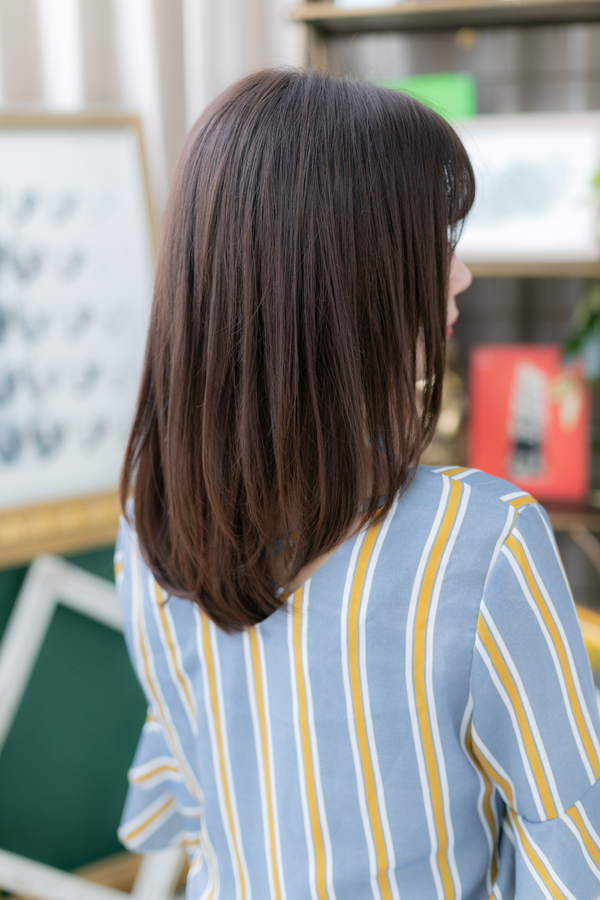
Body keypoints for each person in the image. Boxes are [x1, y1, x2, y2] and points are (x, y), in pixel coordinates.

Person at [114, 68, 600, 900]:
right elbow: (575, 846)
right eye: (433, 242)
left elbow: (193, 800)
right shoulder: (481, 540)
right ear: (345, 277)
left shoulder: (148, 523)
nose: (460, 275)